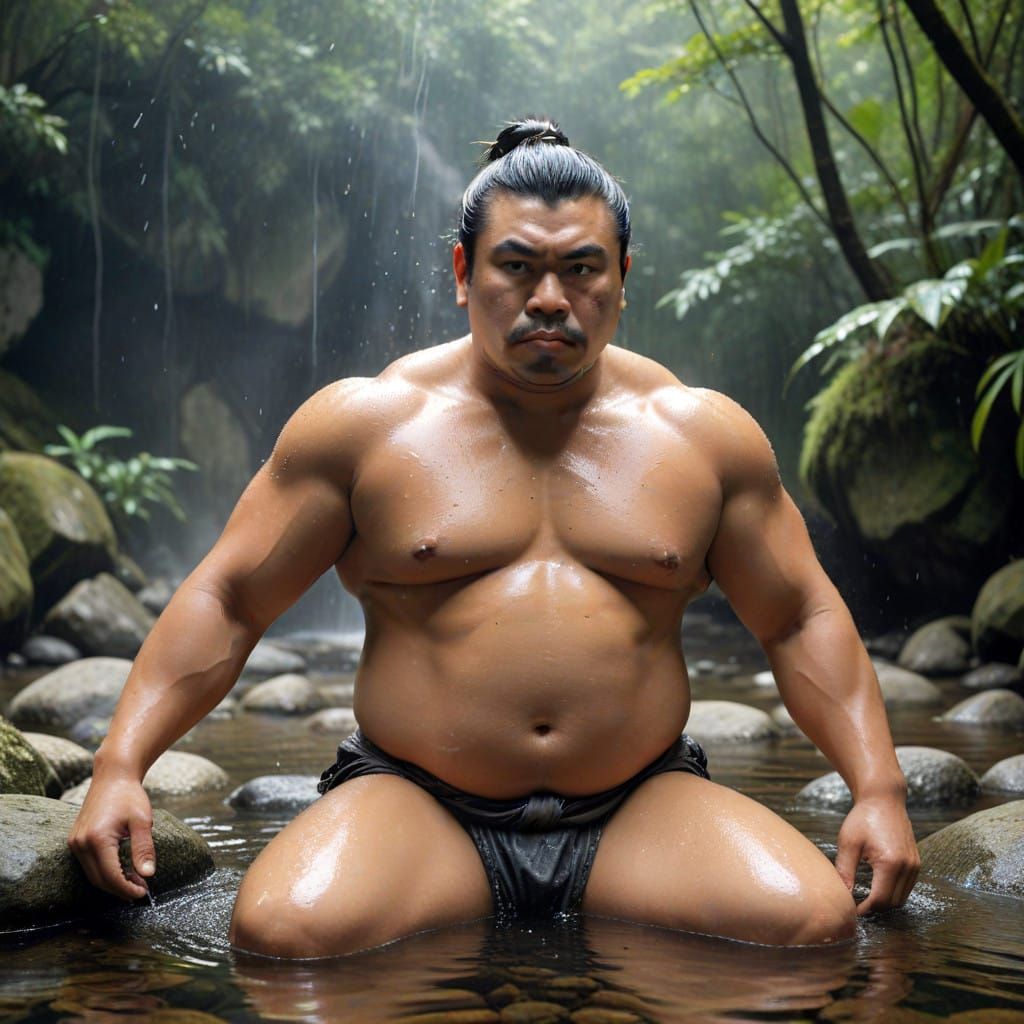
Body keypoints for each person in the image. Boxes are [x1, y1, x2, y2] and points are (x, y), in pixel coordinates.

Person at [69, 118, 920, 957]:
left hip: (638, 806)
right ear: (462, 273)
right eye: (517, 266)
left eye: (582, 269)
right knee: (287, 938)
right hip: (419, 804)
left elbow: (799, 615)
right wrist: (120, 767)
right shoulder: (366, 425)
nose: (549, 298)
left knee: (811, 930)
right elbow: (230, 597)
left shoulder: (703, 437)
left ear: (622, 278)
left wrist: (877, 789)